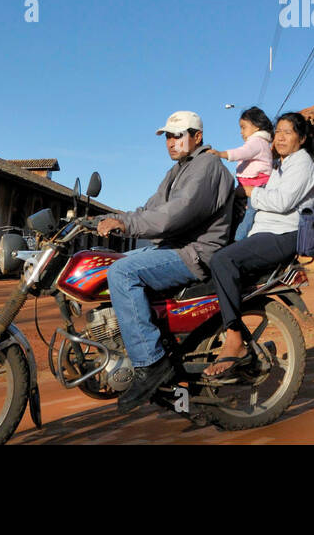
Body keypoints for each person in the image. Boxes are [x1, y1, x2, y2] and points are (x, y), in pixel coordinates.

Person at [96, 110, 235, 413]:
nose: (171, 142)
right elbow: (151, 207)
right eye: (168, 137)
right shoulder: (178, 171)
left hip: (194, 253)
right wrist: (111, 218)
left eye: (178, 135)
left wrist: (126, 225)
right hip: (173, 247)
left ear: (197, 137)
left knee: (121, 273)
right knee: (106, 265)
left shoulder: (208, 165)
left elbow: (177, 214)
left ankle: (152, 362)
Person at [204, 111, 314, 378]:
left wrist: (253, 193)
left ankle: (234, 340)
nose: (279, 137)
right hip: (266, 233)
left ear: (301, 138)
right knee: (216, 257)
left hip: (283, 236)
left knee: (223, 260)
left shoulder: (302, 164)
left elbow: (281, 203)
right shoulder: (283, 165)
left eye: (287, 132)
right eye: (277, 131)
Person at [208, 106, 273, 241]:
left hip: (258, 186)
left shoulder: (257, 142)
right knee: (242, 214)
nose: (241, 132)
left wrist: (221, 154)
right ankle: (235, 238)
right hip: (251, 186)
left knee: (248, 216)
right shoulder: (260, 143)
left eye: (243, 127)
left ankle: (238, 240)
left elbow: (242, 153)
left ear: (256, 127)